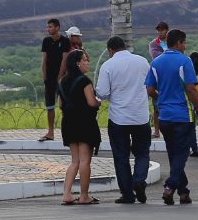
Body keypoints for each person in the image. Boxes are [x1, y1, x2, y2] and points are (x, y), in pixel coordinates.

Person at [96, 35, 152, 205]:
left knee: (121, 157)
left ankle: (127, 194)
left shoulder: (108, 65)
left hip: (118, 118)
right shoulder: (142, 61)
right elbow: (150, 85)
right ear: (124, 47)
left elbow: (103, 93)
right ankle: (139, 181)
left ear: (110, 50)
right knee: (142, 153)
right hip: (140, 117)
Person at [146, 27, 197, 205]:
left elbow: (150, 90)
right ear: (178, 43)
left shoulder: (156, 62)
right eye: (184, 43)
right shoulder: (185, 61)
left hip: (165, 116)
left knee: (174, 154)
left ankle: (183, 192)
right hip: (184, 115)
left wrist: (163, 99)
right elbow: (191, 88)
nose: (185, 46)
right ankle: (170, 187)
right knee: (182, 153)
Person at [57, 48, 102, 205]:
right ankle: (84, 196)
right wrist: (99, 102)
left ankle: (67, 193)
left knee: (74, 160)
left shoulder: (61, 82)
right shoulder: (84, 81)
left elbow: (61, 104)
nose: (87, 63)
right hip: (85, 124)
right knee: (85, 161)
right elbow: (91, 102)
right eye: (85, 60)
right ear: (77, 63)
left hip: (68, 123)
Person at [37, 18, 66, 142]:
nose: (48, 29)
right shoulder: (46, 41)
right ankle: (50, 132)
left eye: (50, 27)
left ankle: (67, 131)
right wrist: (45, 76)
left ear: (57, 27)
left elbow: (65, 60)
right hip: (49, 78)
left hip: (61, 78)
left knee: (65, 105)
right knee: (50, 106)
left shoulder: (64, 41)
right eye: (47, 27)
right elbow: (44, 59)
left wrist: (60, 77)